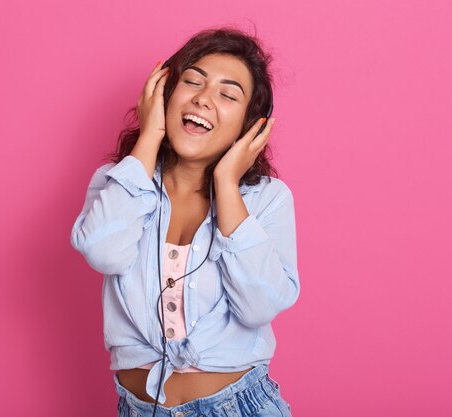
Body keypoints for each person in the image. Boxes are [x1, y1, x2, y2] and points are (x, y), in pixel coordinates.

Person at [71, 26, 300, 417]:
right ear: (162, 95)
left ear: (250, 127)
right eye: (191, 82)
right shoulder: (120, 184)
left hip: (239, 406)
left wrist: (227, 185)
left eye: (228, 95)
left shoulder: (267, 199)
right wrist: (149, 135)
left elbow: (259, 307)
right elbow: (103, 252)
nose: (203, 99)